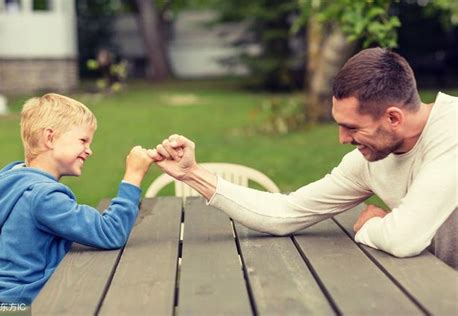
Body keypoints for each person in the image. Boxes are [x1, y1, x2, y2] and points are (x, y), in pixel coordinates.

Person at [148, 47, 457, 269]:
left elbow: (403, 240)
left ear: (393, 118)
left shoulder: (452, 131)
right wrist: (193, 174)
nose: (343, 140)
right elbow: (285, 212)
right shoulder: (368, 161)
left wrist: (372, 225)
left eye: (352, 128)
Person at [0, 93, 153, 305]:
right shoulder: (44, 196)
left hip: (2, 293)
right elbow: (110, 233)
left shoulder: (15, 180)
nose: (89, 151)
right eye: (83, 140)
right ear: (50, 138)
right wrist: (133, 177)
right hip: (27, 302)